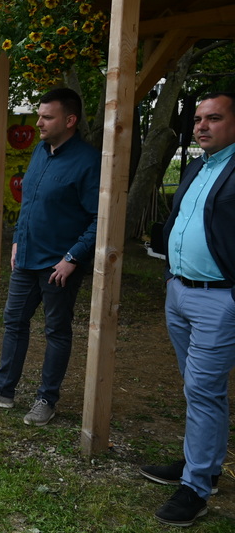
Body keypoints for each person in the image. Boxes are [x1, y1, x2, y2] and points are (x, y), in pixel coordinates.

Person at [0, 87, 100, 426]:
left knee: (56, 331)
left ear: (70, 120)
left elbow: (101, 219)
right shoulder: (40, 150)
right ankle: (3, 390)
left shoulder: (89, 161)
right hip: (26, 257)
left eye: (47, 117)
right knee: (14, 322)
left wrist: (73, 258)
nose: (38, 122)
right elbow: (30, 202)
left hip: (59, 265)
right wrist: (17, 241)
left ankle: (46, 400)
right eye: (39, 115)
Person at [139, 92, 235, 527]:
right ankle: (205, 468)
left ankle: (195, 488)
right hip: (179, 291)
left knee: (202, 389)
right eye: (197, 119)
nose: (201, 126)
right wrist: (170, 276)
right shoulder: (198, 166)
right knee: (199, 389)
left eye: (213, 118)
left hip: (219, 297)